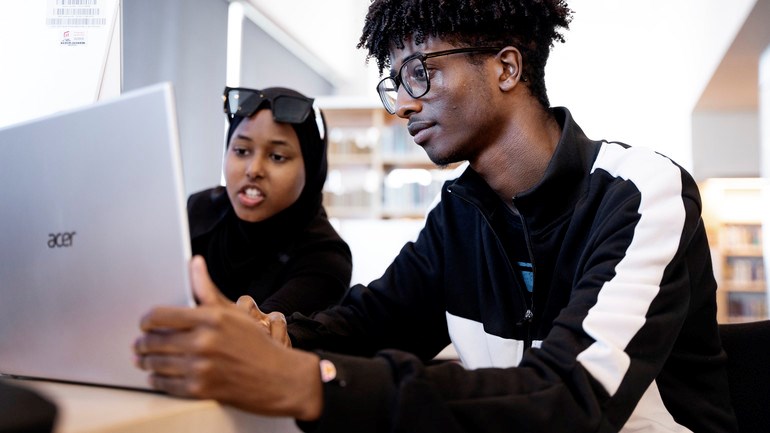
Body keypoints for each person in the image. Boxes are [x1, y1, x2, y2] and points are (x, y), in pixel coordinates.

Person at [133, 1, 739, 432]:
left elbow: (572, 397)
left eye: (420, 71)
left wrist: (307, 379)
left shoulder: (641, 191)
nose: (403, 103)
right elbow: (370, 322)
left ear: (506, 68)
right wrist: (277, 333)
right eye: (394, 83)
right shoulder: (460, 215)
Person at [186, 86, 352, 315]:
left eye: (277, 156)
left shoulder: (326, 258)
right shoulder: (198, 210)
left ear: (312, 170)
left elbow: (263, 336)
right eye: (242, 151)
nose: (253, 170)